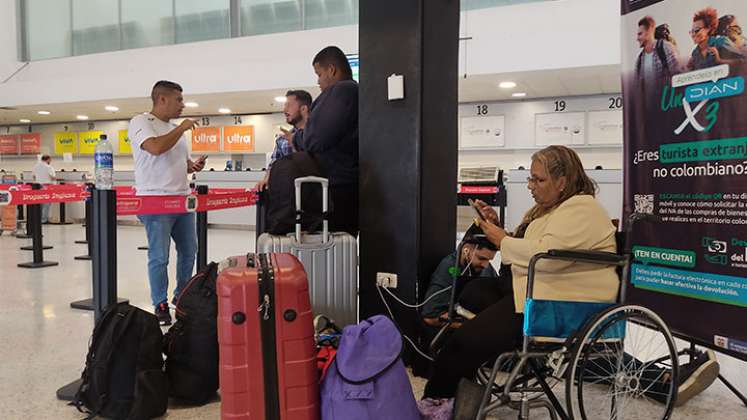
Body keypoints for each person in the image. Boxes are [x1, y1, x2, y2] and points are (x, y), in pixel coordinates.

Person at [423, 145, 719, 407]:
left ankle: (435, 401)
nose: (530, 185)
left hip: (554, 300)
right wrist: (500, 228)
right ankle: (474, 369)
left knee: (461, 343)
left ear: (562, 182)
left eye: (538, 179)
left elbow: (548, 257)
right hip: (535, 288)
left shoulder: (582, 209)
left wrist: (502, 239)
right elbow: (540, 247)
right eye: (530, 178)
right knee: (472, 295)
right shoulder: (552, 210)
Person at [128, 80, 205, 326]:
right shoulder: (141, 122)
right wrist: (181, 129)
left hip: (182, 200)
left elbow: (177, 161)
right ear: (162, 99)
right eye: (179, 99)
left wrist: (191, 166)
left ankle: (182, 296)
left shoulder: (174, 130)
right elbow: (156, 148)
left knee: (189, 251)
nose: (183, 104)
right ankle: (159, 302)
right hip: (155, 200)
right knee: (160, 256)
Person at [299, 46, 359, 235]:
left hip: (337, 190)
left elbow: (315, 140)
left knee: (329, 250)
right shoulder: (354, 92)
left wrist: (299, 137)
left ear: (331, 70)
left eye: (319, 74)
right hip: (346, 187)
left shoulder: (342, 91)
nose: (318, 81)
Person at [421, 225, 500, 330]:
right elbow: (430, 317)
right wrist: (473, 326)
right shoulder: (449, 268)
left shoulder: (486, 269)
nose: (485, 265)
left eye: (489, 260)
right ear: (465, 249)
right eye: (481, 258)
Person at [257, 89, 313, 192]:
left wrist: (295, 143)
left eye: (289, 105)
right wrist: (266, 180)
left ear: (304, 109)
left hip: (315, 191)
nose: (285, 110)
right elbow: (273, 164)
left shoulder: (318, 135)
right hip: (288, 194)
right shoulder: (282, 140)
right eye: (284, 105)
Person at [635, 16, 681, 101]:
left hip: (667, 103)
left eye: (640, 34)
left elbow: (678, 76)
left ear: (650, 31)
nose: (637, 38)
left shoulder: (665, 48)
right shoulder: (640, 59)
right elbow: (638, 87)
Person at [33, 155, 56, 223]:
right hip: (47, 186)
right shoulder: (48, 167)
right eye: (50, 160)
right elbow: (52, 177)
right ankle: (44, 219)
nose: (50, 161)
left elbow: (34, 176)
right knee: (46, 204)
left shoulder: (36, 166)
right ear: (48, 159)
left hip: (37, 186)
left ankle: (38, 219)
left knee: (39, 203)